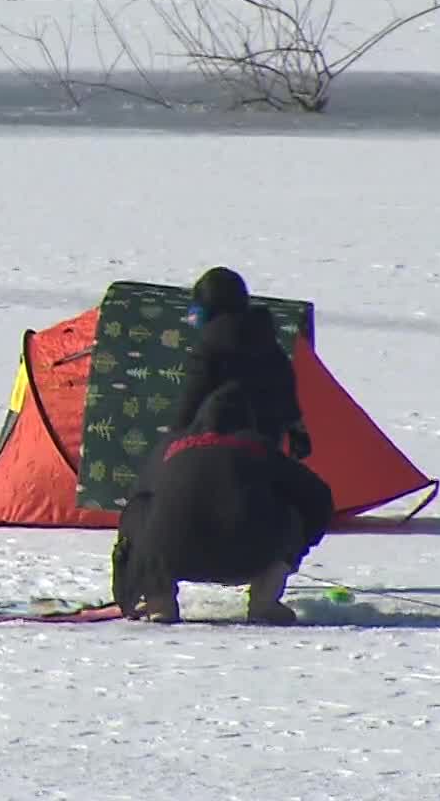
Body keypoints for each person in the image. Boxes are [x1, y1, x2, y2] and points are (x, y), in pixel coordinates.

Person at [112, 381, 334, 625]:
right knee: (291, 510)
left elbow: (136, 497)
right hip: (250, 555)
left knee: (140, 510)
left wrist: (127, 584)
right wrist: (296, 550)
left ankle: (159, 600)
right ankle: (264, 601)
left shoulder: (170, 448)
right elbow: (318, 497)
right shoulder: (259, 448)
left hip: (173, 556)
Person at [174, 266, 312, 460]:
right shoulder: (268, 343)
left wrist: (168, 450)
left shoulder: (208, 349)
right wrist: (296, 428)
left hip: (214, 458)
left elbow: (189, 407)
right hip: (263, 457)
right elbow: (284, 389)